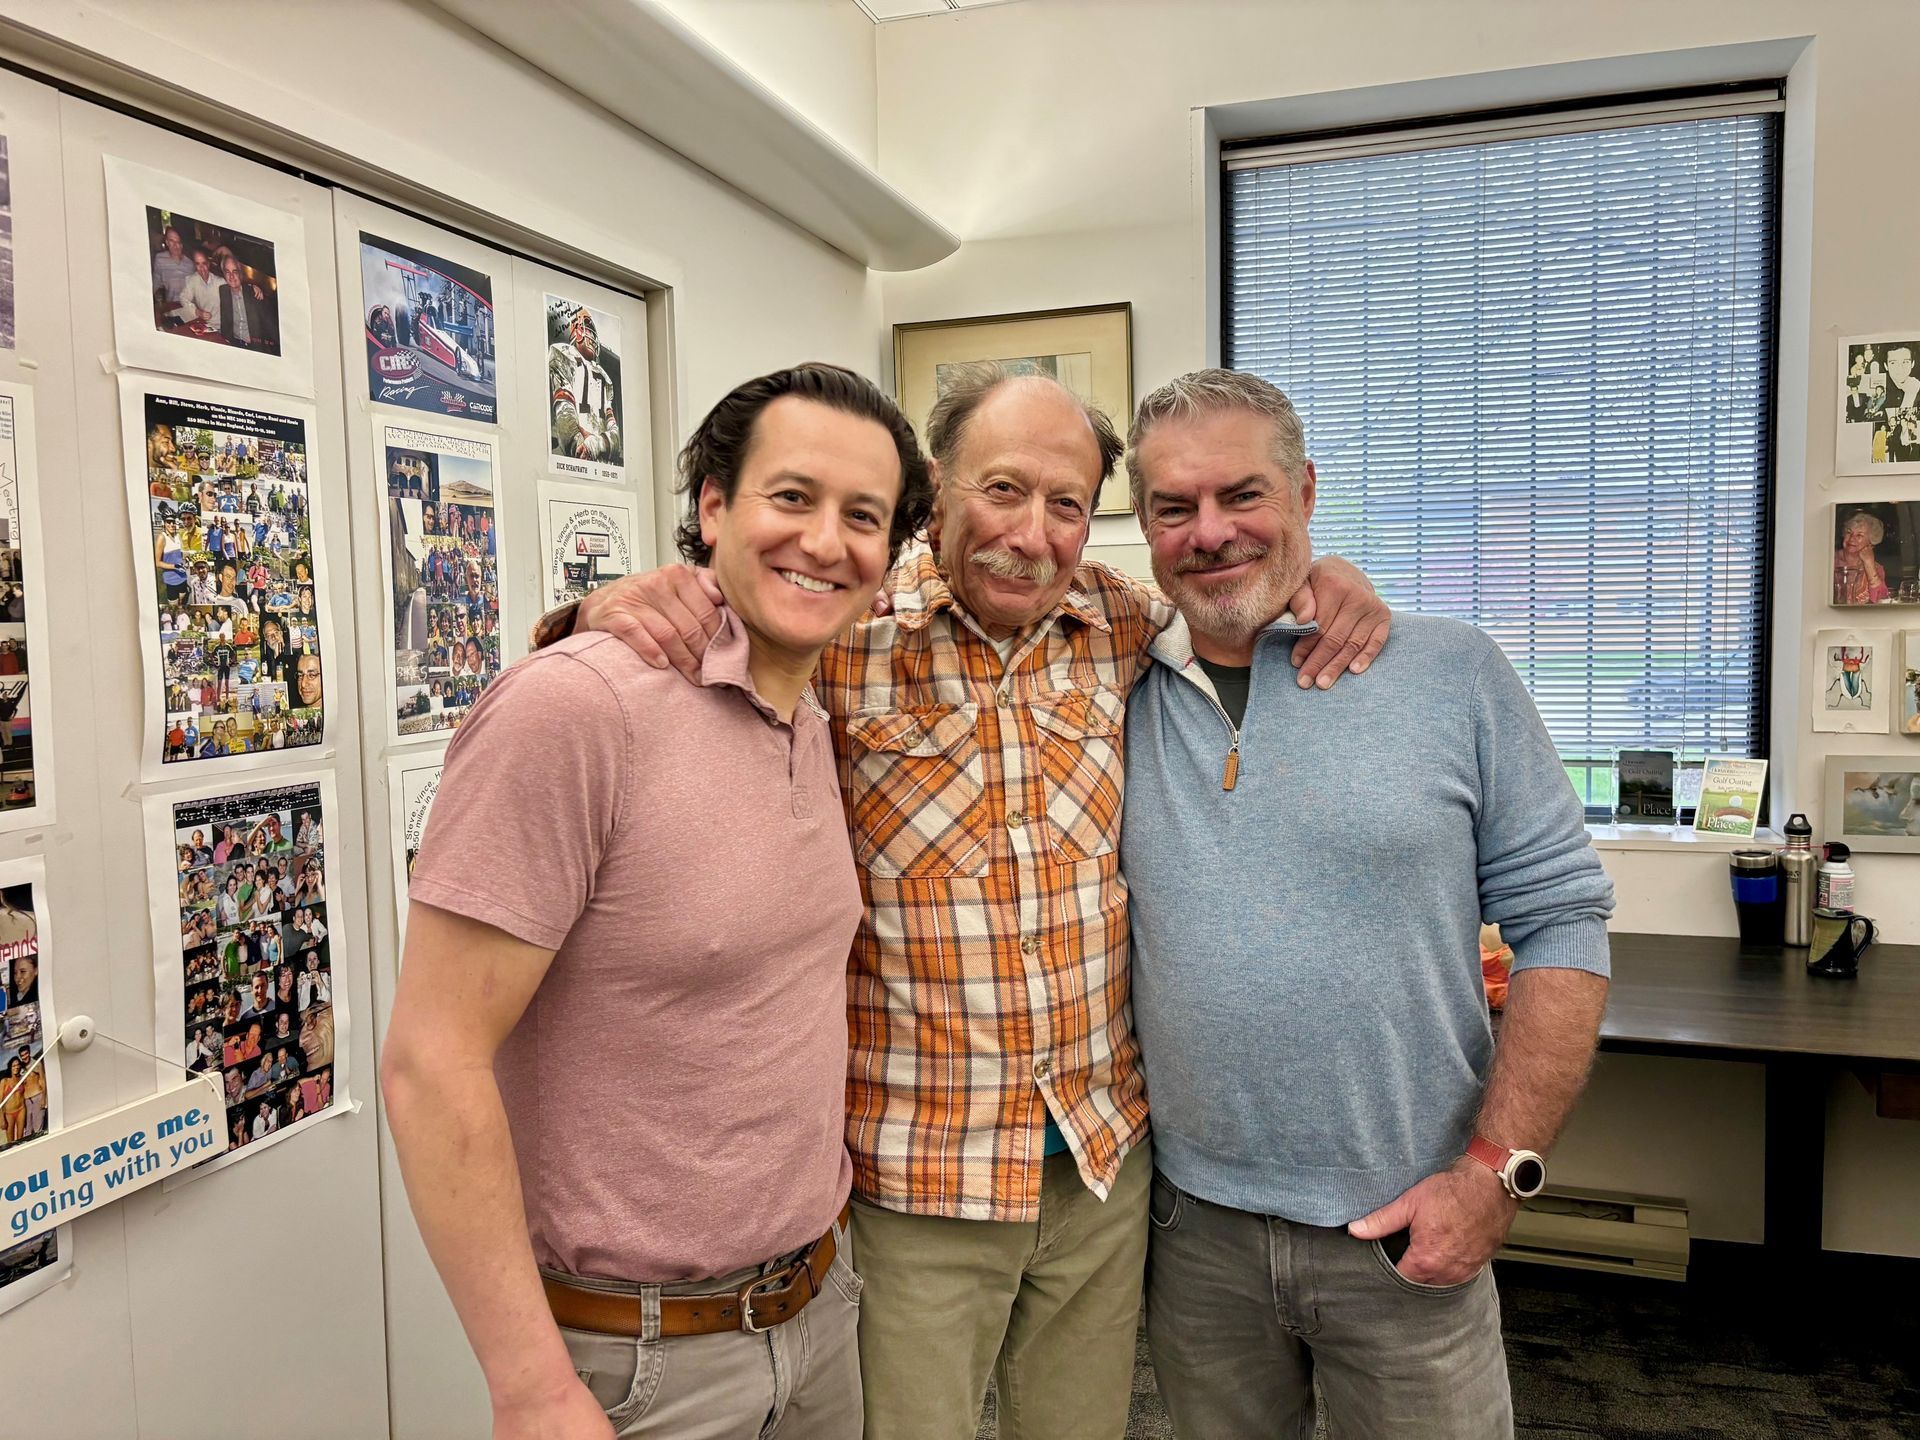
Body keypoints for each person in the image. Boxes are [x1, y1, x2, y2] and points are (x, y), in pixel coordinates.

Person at [561, 363, 1390, 1440]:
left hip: (1100, 1166)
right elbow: (674, 647)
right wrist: (596, 603)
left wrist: (1335, 582)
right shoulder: (841, 629)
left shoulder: (1123, 626)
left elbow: (1247, 604)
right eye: (1003, 490)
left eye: (1068, 506)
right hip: (918, 1176)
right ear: (938, 486)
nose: (1033, 534)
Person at [383, 362, 937, 1440]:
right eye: (792, 497)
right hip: (634, 1363)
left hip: (820, 1318)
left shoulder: (817, 714)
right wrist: (530, 1386)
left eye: (862, 516)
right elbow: (429, 1060)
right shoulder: (576, 710)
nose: (827, 542)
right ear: (713, 506)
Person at [1116, 369, 1614, 1439]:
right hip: (1191, 1232)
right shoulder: (1107, 681)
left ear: (1305, 492)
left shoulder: (1450, 673)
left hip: (1406, 1224)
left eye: (1243, 495)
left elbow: (1564, 922)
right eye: (1174, 506)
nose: (1210, 533)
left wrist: (1497, 1176)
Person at [550, 305, 621, 465]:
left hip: (602, 462)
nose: (592, 337)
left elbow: (615, 435)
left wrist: (597, 443)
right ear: (578, 330)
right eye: (589, 330)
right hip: (577, 458)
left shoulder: (605, 378)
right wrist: (580, 444)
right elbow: (565, 414)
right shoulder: (564, 355)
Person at [217, 255, 277, 349]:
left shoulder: (254, 294)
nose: (231, 276)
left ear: (240, 273)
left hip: (254, 346)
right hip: (233, 343)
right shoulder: (223, 291)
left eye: (235, 272)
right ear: (224, 274)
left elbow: (270, 326)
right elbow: (225, 320)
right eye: (227, 272)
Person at [1834, 509, 1891, 604]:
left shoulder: (1876, 568)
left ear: (1871, 542)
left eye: (1859, 535)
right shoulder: (1830, 560)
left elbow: (1880, 601)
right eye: (1849, 532)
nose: (1852, 538)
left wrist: (1869, 565)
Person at [172, 249, 222, 330]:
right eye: (198, 264)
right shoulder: (193, 279)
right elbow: (183, 297)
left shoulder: (220, 282)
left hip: (220, 327)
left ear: (208, 264)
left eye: (204, 263)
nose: (201, 268)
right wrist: (197, 312)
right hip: (203, 325)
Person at [151, 225, 196, 305]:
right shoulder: (160, 259)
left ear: (182, 244)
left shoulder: (190, 263)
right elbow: (156, 282)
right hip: (171, 307)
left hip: (189, 306)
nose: (175, 245)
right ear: (167, 242)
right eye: (172, 241)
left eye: (178, 242)